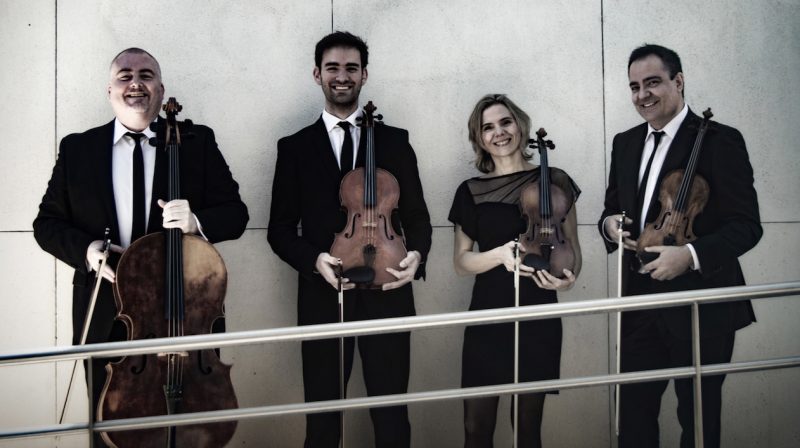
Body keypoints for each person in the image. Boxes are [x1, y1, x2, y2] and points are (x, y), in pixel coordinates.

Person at [33, 47, 248, 445]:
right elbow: (46, 224)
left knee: (188, 428)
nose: (136, 82)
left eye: (146, 75)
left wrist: (196, 221)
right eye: (125, 75)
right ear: (110, 90)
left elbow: (237, 214)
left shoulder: (196, 142)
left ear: (161, 89)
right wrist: (89, 251)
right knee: (109, 429)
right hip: (106, 312)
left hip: (184, 311)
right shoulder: (78, 148)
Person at [267, 31, 432, 447]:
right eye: (333, 68)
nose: (343, 77)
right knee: (322, 421)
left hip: (390, 291)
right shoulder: (294, 147)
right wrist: (314, 261)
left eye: (352, 69)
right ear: (317, 74)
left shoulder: (395, 141)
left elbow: (416, 217)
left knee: (392, 416)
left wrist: (417, 256)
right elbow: (280, 230)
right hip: (324, 298)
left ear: (365, 75)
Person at [598, 44, 761, 447]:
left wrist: (690, 256)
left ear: (679, 81)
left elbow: (746, 226)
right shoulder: (625, 142)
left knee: (699, 422)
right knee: (633, 420)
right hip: (638, 304)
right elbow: (612, 208)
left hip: (701, 306)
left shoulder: (721, 140)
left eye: (652, 82)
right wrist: (609, 225)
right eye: (634, 86)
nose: (642, 95)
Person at [448, 94, 582, 448]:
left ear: (519, 125)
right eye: (487, 127)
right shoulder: (471, 191)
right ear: (479, 138)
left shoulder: (555, 180)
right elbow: (461, 263)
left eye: (505, 122)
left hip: (538, 313)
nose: (499, 132)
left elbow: (572, 249)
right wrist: (497, 256)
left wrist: (566, 282)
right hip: (488, 315)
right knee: (476, 427)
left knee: (527, 429)